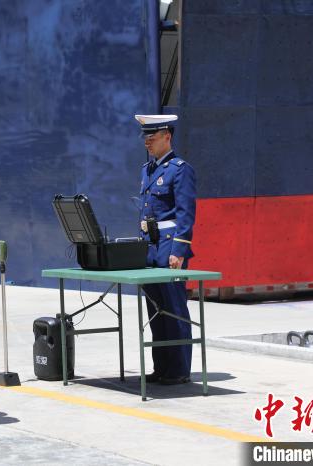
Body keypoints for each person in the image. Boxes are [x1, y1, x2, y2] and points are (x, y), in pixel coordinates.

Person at [135, 115, 196, 385]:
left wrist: (179, 250)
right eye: (145, 136)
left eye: (153, 136)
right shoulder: (147, 170)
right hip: (151, 248)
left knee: (174, 309)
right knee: (156, 311)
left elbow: (186, 213)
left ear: (167, 136)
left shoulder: (180, 169)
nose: (147, 141)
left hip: (170, 248)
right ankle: (161, 367)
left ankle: (180, 369)